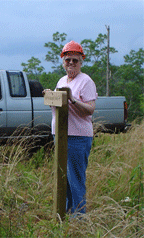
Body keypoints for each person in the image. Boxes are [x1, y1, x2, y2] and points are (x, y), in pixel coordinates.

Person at [44, 41, 97, 215]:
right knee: (63, 178)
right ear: (63, 62)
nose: (71, 63)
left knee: (75, 179)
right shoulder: (61, 80)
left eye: (75, 60)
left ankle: (79, 219)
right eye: (68, 60)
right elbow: (58, 104)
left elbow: (90, 109)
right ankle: (65, 214)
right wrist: (49, 95)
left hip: (77, 137)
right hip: (60, 135)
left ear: (81, 61)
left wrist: (73, 99)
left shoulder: (86, 81)